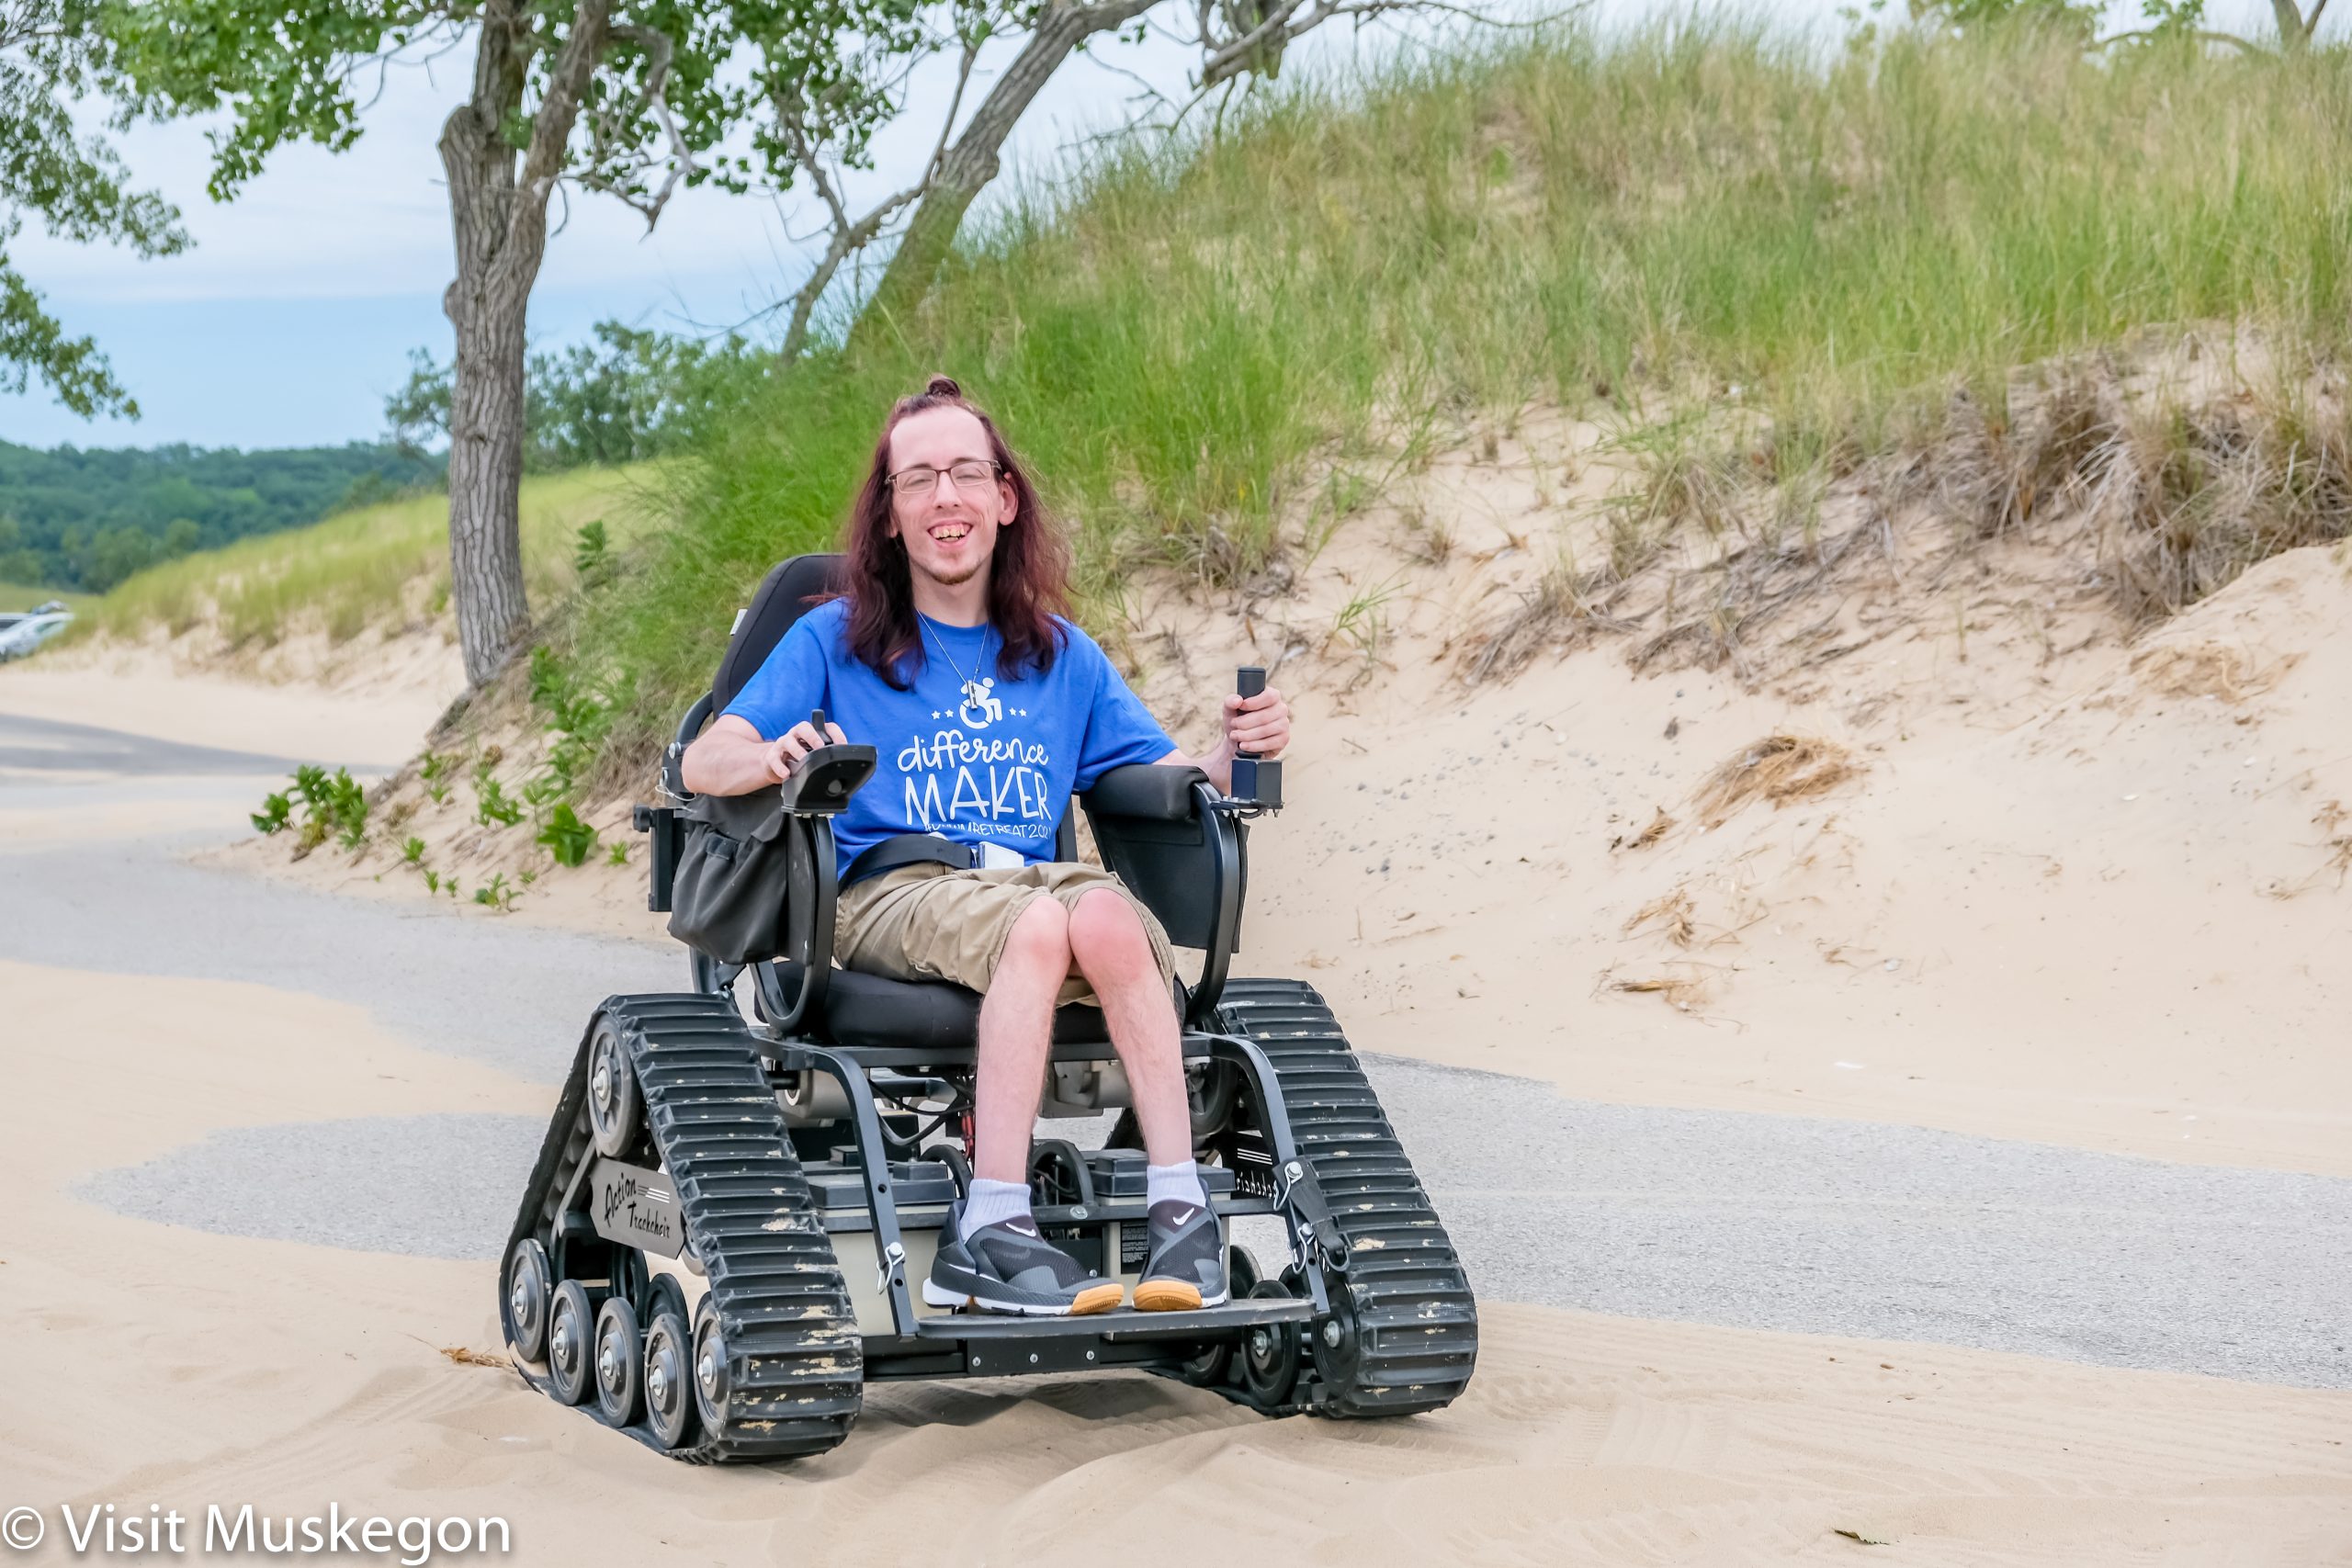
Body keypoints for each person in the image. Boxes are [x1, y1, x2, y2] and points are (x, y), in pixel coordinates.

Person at [681, 375, 1293, 1319]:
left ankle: (1180, 1207)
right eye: (917, 479)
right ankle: (989, 1230)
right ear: (889, 514)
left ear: (1004, 498)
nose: (945, 499)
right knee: (1047, 925)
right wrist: (768, 753)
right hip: (888, 891)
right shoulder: (833, 638)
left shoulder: (1059, 653)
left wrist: (1228, 754)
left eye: (966, 474)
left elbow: (1164, 777)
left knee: (1108, 920)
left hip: (1030, 884)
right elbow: (702, 761)